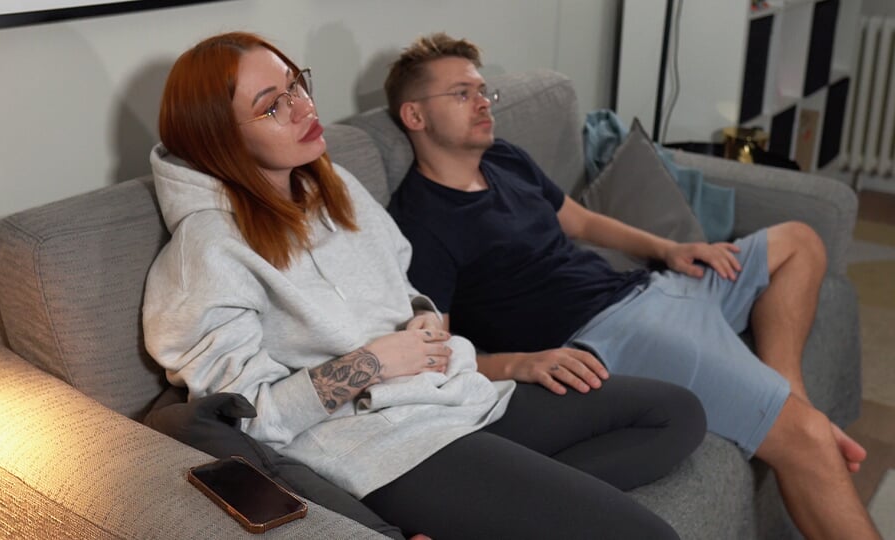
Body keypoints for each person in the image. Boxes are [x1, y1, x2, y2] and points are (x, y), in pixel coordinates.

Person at [142, 31, 707, 540]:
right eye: (273, 106)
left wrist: (425, 319)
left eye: (297, 85)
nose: (304, 107)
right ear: (220, 138)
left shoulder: (330, 185)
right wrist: (370, 364)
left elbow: (404, 287)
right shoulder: (206, 251)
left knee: (675, 413)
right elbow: (248, 420)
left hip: (452, 394)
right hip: (385, 447)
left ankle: (489, 517)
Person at [384, 32, 881, 540]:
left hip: (649, 286)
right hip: (618, 334)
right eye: (461, 94)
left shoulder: (504, 158)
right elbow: (436, 354)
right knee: (806, 436)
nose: (483, 104)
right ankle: (794, 411)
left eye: (483, 91)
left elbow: (580, 221)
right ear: (415, 115)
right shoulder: (421, 222)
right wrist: (517, 364)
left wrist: (670, 249)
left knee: (799, 242)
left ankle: (789, 388)